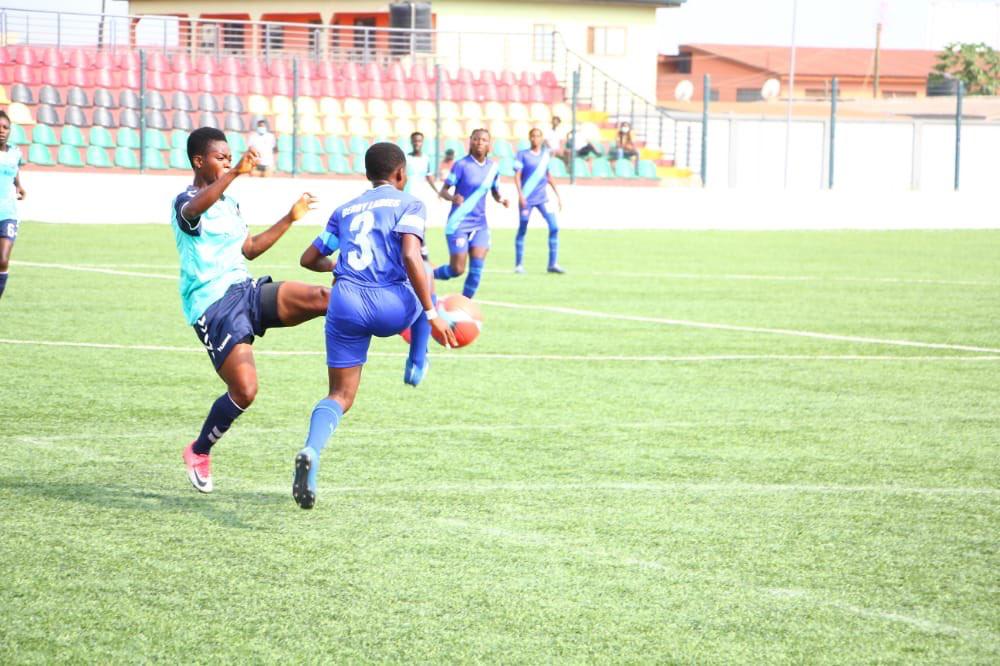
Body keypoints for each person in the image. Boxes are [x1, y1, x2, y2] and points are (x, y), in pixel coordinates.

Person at [294, 143, 457, 510]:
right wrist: (432, 314)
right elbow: (412, 256)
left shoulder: (346, 209)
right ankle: (416, 364)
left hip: (346, 303)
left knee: (340, 396)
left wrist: (338, 269)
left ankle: (311, 450)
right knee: (427, 275)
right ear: (401, 174)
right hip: (388, 305)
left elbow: (309, 259)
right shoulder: (410, 203)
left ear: (369, 174)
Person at [174, 127, 330, 494]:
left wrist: (290, 217)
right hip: (213, 306)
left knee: (324, 296)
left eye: (230, 157)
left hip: (245, 290)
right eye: (220, 157)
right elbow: (194, 209)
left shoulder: (230, 204)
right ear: (199, 161)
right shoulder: (186, 201)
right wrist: (236, 173)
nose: (228, 161)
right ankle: (199, 450)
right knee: (245, 391)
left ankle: (398, 324)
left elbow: (250, 249)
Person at [432, 129, 509, 299]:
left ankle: (464, 306)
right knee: (457, 270)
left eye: (483, 140)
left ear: (489, 144)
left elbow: (495, 191)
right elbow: (443, 191)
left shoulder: (493, 167)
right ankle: (427, 275)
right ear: (470, 142)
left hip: (480, 225)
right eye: (476, 139)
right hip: (459, 223)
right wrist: (453, 198)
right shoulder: (461, 165)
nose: (479, 142)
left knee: (476, 270)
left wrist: (501, 199)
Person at [513, 128, 564, 274]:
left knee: (554, 227)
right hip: (527, 198)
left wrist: (558, 195)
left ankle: (553, 264)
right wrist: (521, 195)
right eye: (533, 136)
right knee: (523, 229)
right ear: (529, 138)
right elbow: (517, 176)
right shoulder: (522, 155)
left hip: (543, 198)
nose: (535, 139)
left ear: (542, 139)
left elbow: (548, 175)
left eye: (538, 136)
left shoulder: (545, 155)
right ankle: (519, 265)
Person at [0, 111, 25, 302]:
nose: (1, 131)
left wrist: (19, 185)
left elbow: (14, 170)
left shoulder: (15, 153)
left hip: (7, 213)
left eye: (5, 127)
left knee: (3, 260)